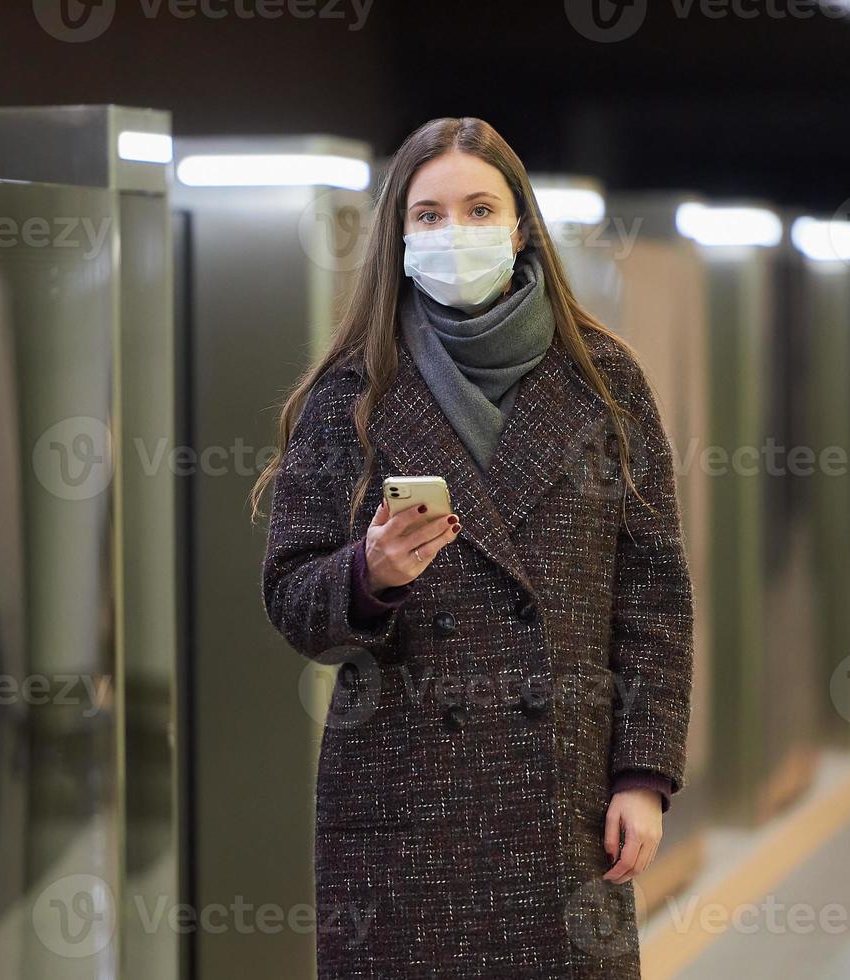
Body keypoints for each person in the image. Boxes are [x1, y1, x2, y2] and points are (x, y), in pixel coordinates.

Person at [253, 116, 693, 979]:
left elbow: (652, 597)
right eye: (430, 215)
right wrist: (367, 575)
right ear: (400, 235)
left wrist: (644, 774)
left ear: (521, 224)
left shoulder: (605, 381)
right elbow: (292, 601)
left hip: (562, 800)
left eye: (479, 208)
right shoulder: (351, 391)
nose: (456, 232)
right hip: (404, 809)